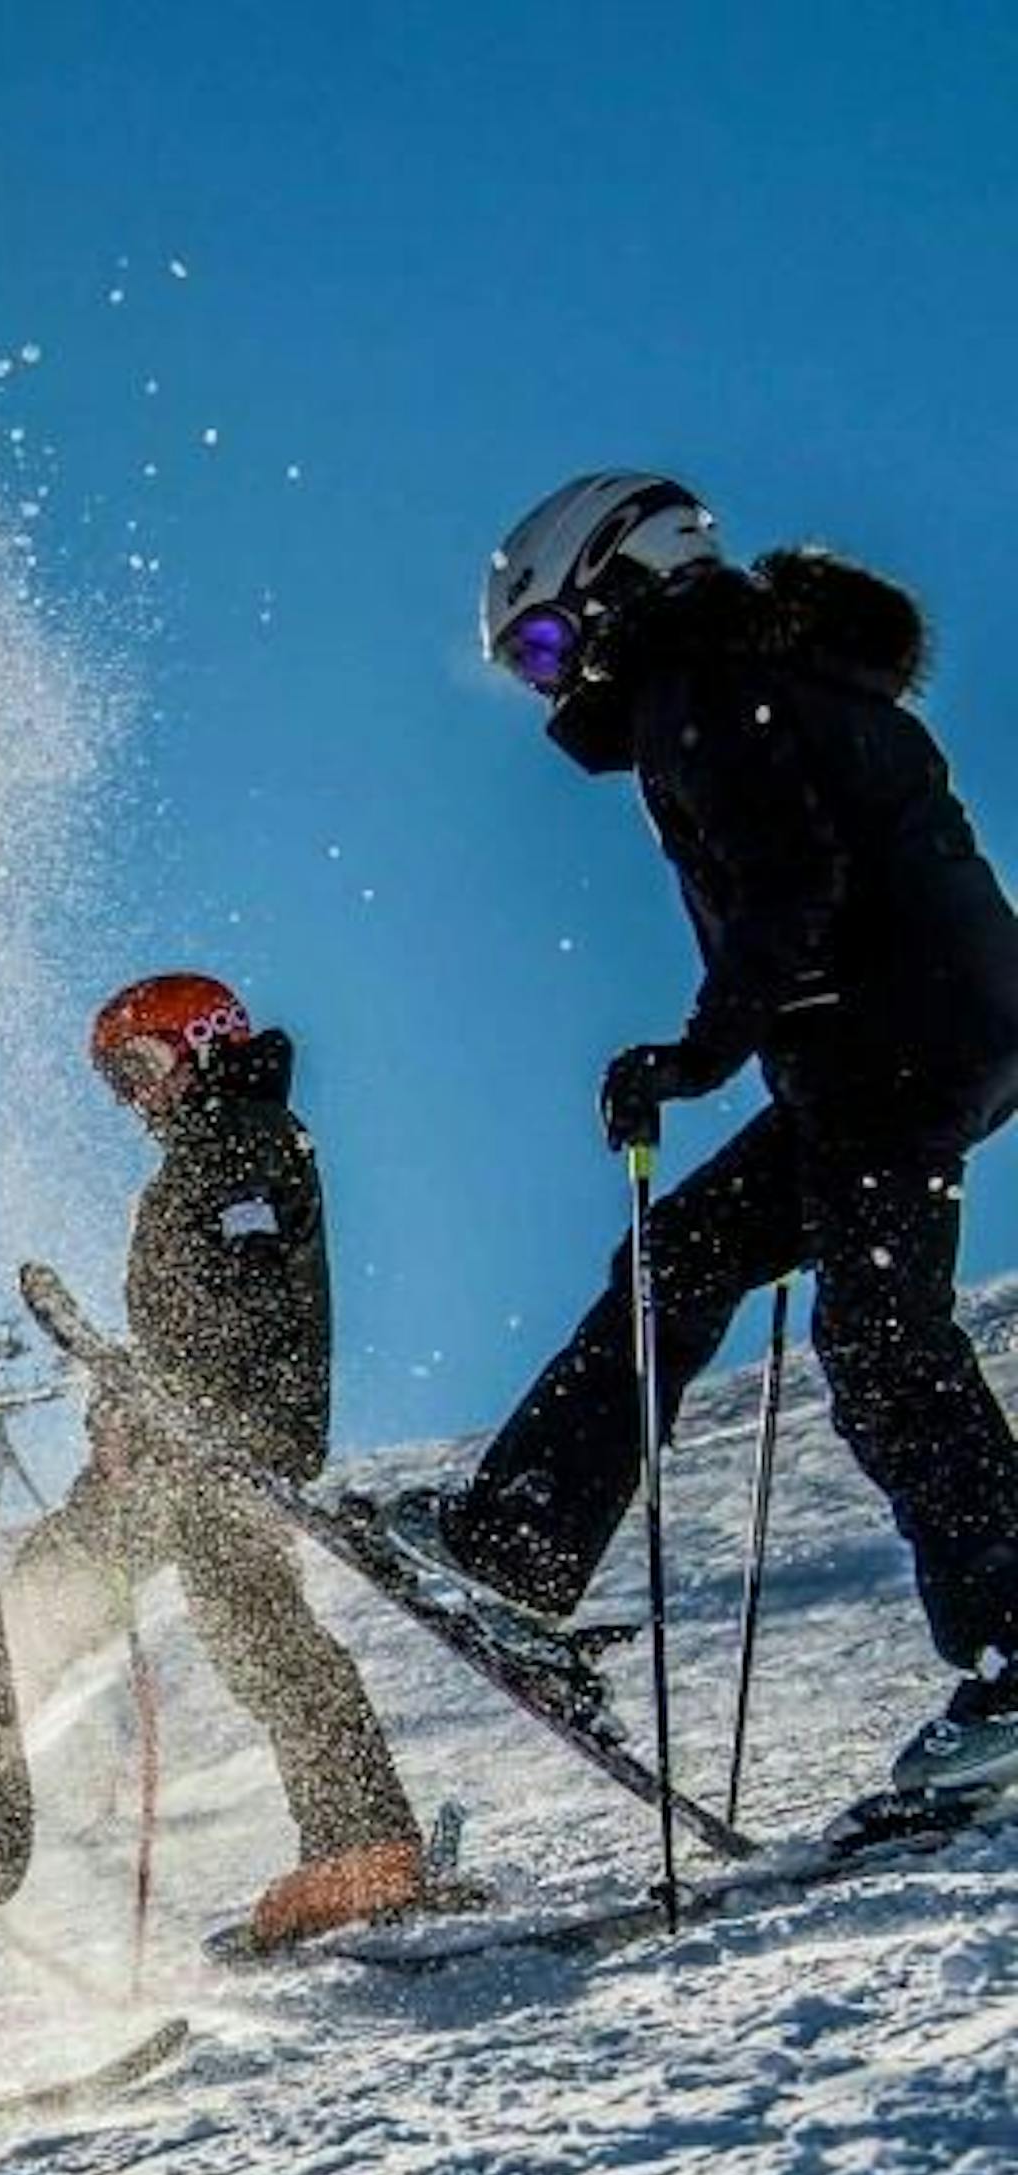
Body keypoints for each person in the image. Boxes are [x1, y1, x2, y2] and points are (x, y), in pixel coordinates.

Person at [400, 472, 1018, 1799]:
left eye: (552, 646)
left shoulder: (708, 689)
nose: (553, 691)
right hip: (906, 1044)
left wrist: (698, 1053)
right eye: (526, 669)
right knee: (680, 1262)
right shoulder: (769, 680)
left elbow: (795, 884)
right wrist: (734, 1041)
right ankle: (517, 1548)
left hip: (892, 1050)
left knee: (879, 1337)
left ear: (628, 579)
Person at [15, 973, 432, 1944]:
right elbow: (203, 1312)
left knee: (67, 1574)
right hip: (209, 1434)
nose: (137, 1097)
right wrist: (133, 1400)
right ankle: (363, 1848)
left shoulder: (240, 1140)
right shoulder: (221, 1144)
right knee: (257, 1630)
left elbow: (240, 1293)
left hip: (218, 1436)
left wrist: (158, 1403)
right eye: (119, 1083)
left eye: (144, 1067)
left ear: (203, 1042)